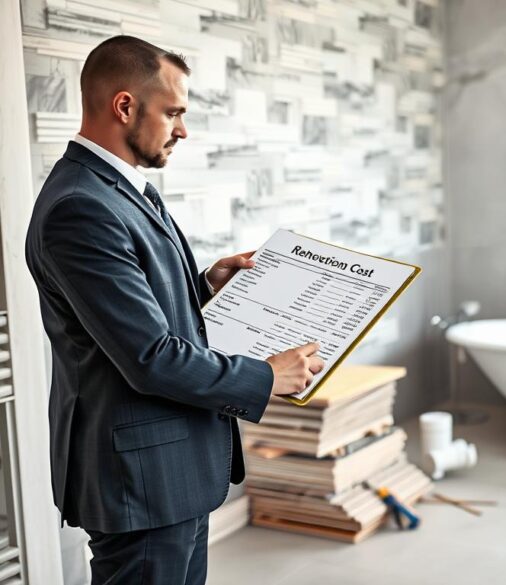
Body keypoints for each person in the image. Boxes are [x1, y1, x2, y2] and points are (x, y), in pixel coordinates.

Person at [24, 35, 325, 584]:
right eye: (173, 113)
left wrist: (205, 286)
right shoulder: (80, 208)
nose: (183, 130)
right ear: (124, 106)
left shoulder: (118, 189)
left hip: (171, 470)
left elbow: (135, 315)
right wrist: (266, 376)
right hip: (140, 481)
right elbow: (149, 356)